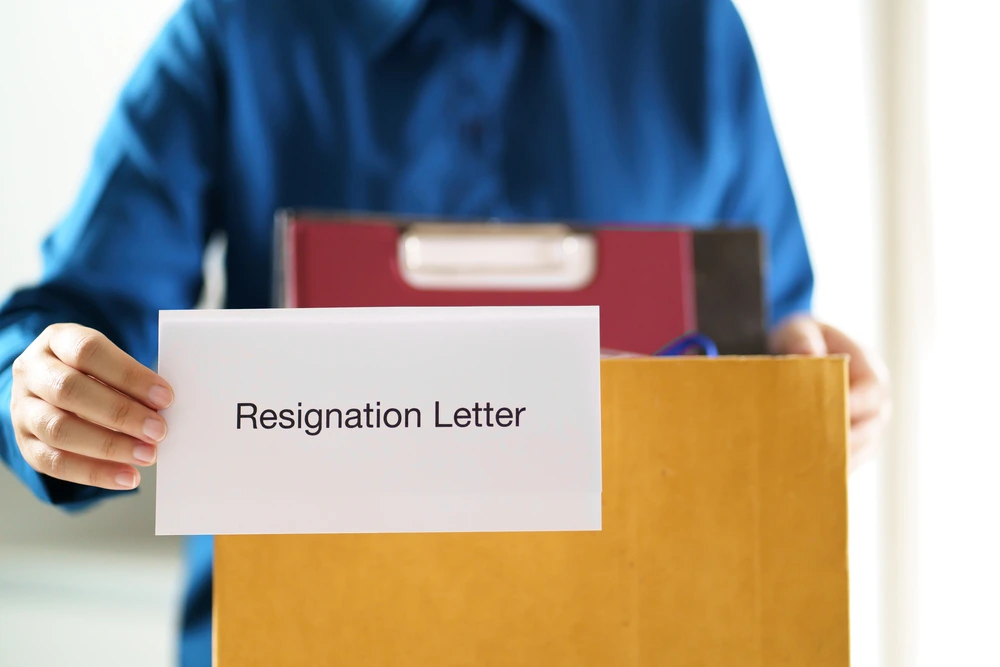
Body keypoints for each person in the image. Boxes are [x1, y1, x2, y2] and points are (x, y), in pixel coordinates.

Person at [0, 0, 890, 665]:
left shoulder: (693, 30)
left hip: (636, 631)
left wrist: (815, 397)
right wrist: (39, 390)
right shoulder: (238, 26)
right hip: (298, 637)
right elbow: (79, 321)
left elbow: (772, 335)